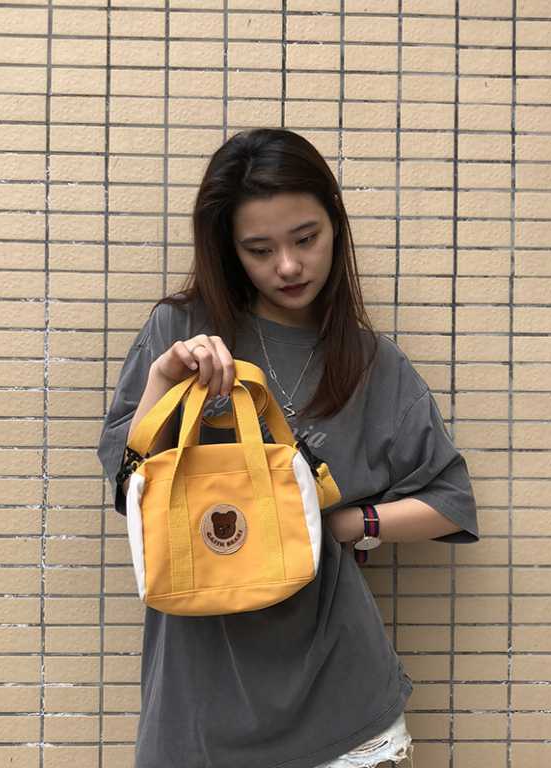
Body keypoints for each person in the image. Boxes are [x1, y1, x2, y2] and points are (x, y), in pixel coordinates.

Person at [97, 127, 479, 768]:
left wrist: (341, 525)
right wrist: (162, 381)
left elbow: (449, 500)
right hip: (198, 706)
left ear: (336, 227)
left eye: (306, 239)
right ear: (229, 250)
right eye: (260, 249)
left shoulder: (371, 364)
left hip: (345, 710)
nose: (289, 266)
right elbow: (126, 485)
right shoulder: (181, 331)